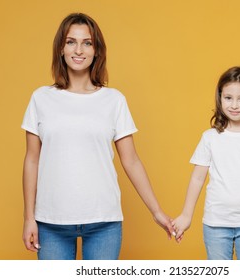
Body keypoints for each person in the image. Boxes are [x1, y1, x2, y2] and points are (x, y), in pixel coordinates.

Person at [21, 13, 174, 260]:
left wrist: (156, 212)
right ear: (61, 48)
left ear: (96, 51)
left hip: (104, 222)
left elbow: (131, 160)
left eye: (87, 43)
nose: (79, 49)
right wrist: (29, 218)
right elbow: (31, 160)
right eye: (71, 42)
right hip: (50, 223)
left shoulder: (114, 100)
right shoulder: (41, 98)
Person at [172, 66, 240, 260]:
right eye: (228, 98)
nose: (234, 105)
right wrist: (186, 216)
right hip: (216, 224)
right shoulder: (210, 138)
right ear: (220, 98)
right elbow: (197, 178)